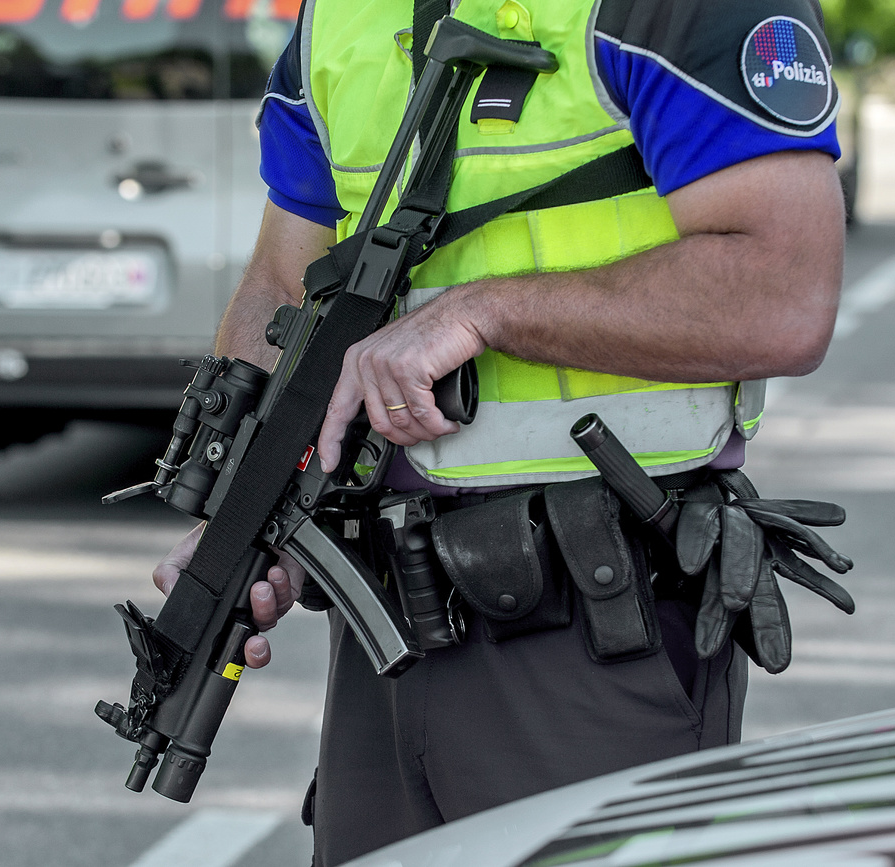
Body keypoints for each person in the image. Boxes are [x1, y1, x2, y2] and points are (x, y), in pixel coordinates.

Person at [154, 0, 850, 863]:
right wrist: (246, 520)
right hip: (390, 631)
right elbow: (283, 282)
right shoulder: (338, 11)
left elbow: (782, 295)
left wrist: (484, 314)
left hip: (600, 621)